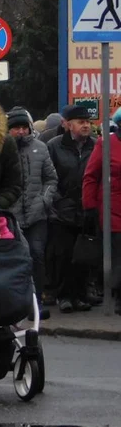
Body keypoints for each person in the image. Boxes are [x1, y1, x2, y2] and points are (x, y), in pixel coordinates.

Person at [7, 106, 57, 320]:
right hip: (12, 215)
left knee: (37, 254)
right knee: (17, 258)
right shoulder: (2, 150)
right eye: (15, 128)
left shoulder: (40, 148)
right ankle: (18, 302)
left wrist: (45, 200)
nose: (20, 132)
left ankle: (36, 302)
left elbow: (51, 178)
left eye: (23, 128)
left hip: (37, 214)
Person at [46, 104, 96, 313]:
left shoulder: (95, 146)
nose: (85, 126)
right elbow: (48, 177)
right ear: (67, 124)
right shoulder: (54, 146)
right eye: (80, 122)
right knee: (64, 255)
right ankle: (64, 296)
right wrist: (58, 201)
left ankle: (80, 294)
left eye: (87, 122)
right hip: (62, 210)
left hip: (86, 208)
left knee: (84, 254)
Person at [82, 108, 121, 316]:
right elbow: (91, 176)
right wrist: (89, 206)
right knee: (118, 252)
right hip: (112, 207)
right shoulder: (106, 144)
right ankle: (118, 297)